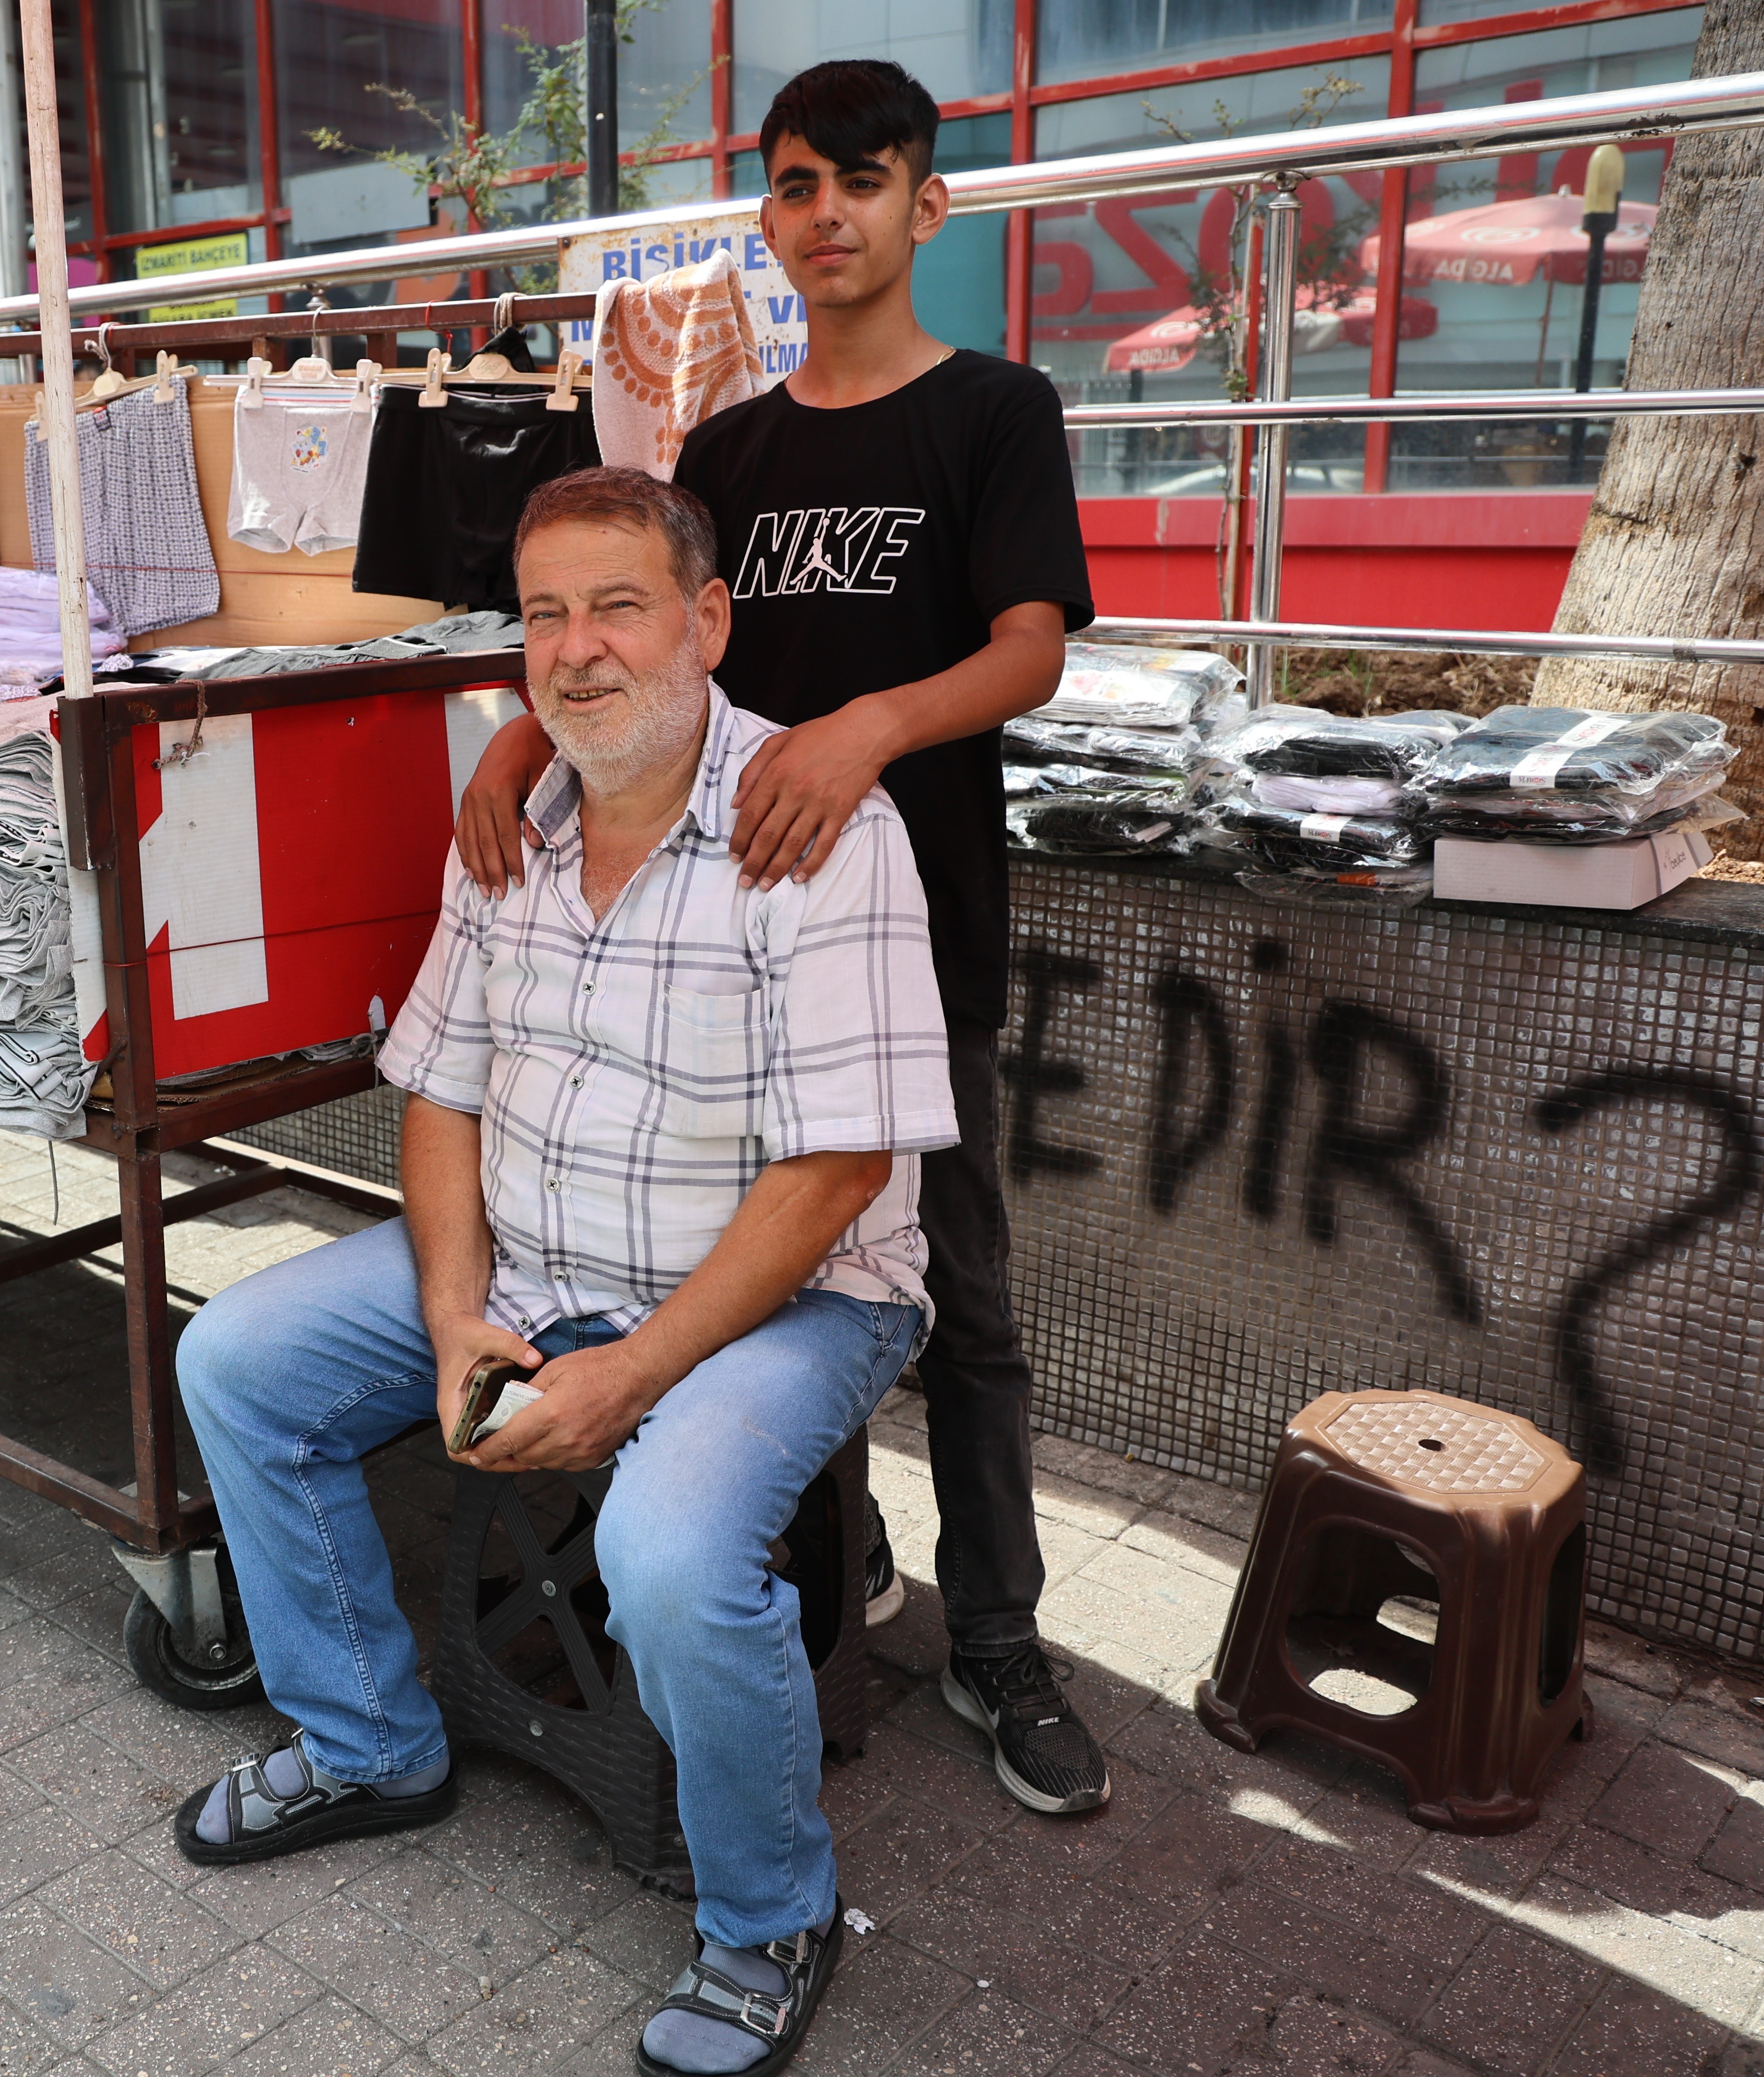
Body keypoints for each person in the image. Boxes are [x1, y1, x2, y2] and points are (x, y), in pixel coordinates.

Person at [178, 466, 949, 2077]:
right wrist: (459, 1311)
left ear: (706, 619)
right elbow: (442, 1087)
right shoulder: (507, 819)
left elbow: (837, 1171)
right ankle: (367, 1742)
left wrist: (634, 1370)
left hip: (791, 1296)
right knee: (235, 1361)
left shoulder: (815, 825)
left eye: (616, 606)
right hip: (528, 1257)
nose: (577, 651)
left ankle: (767, 1912)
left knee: (668, 1557)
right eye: (543, 616)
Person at [451, 60, 1108, 1822]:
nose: (831, 216)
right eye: (800, 185)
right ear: (768, 216)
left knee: (954, 1308)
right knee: (738, 1292)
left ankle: (999, 1646)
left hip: (910, 938)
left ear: (927, 206)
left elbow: (1032, 649)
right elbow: (646, 639)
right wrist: (527, 732)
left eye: (866, 183)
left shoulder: (993, 410)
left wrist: (870, 726)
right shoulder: (732, 447)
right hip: (702, 950)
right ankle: (837, 1570)